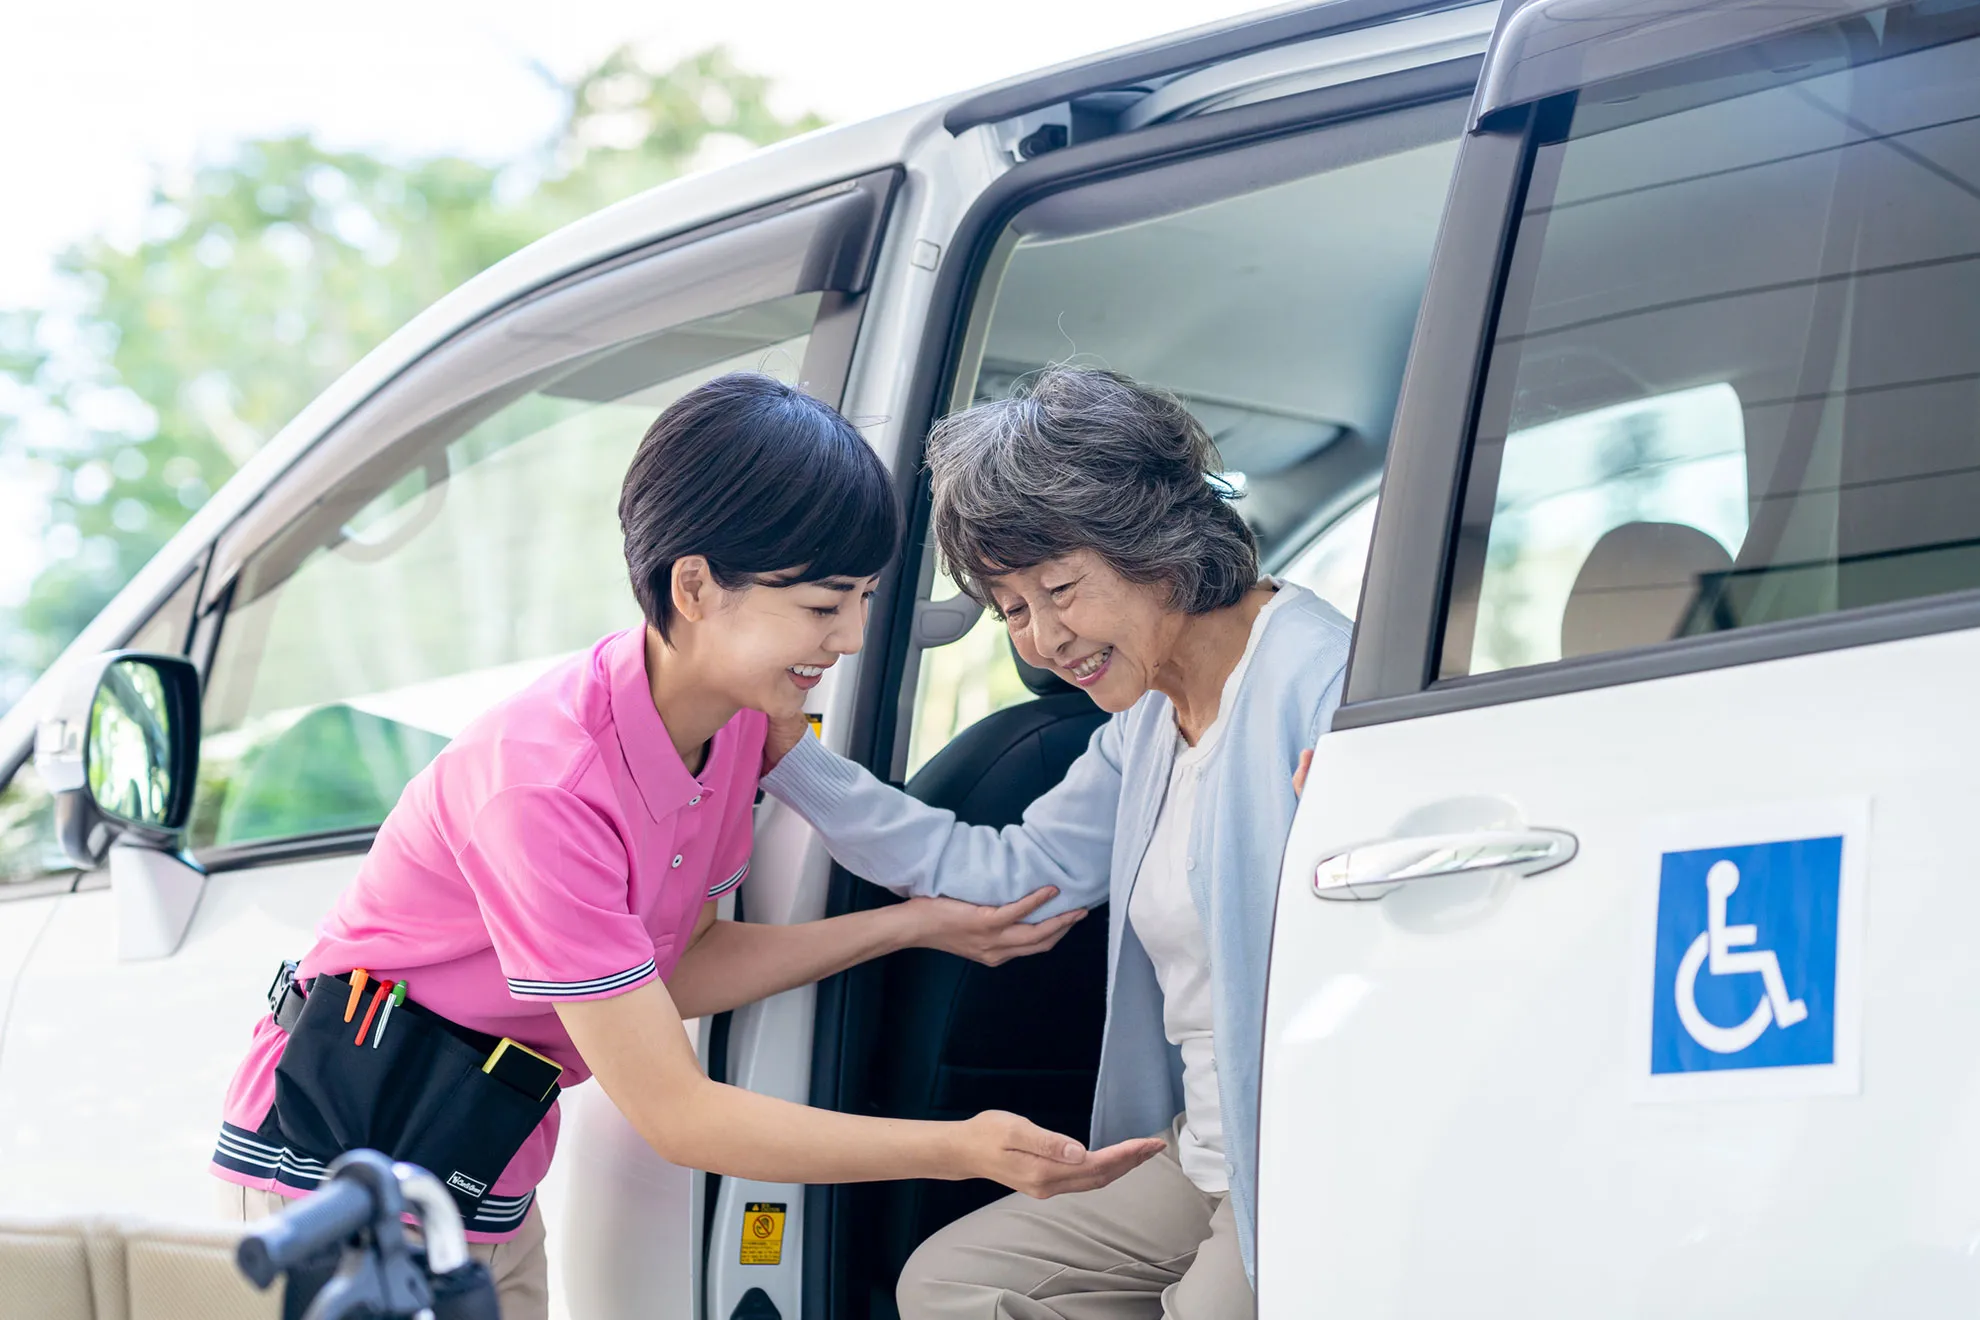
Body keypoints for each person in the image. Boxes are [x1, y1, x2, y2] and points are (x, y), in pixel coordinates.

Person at [209, 373, 1163, 1320]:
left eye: (866, 599)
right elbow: (677, 1114)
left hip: (482, 1164)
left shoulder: (739, 726)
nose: (854, 636)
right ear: (696, 585)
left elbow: (687, 964)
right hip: (337, 1173)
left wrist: (911, 926)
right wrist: (958, 1148)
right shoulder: (543, 786)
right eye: (825, 605)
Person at [759, 366, 1354, 1319]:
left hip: (1301, 1152)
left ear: (1156, 546)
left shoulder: (1324, 688)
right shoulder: (1146, 725)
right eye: (1013, 610)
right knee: (955, 1286)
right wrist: (790, 757)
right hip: (1198, 1150)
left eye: (1061, 589)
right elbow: (1012, 876)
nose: (1040, 640)